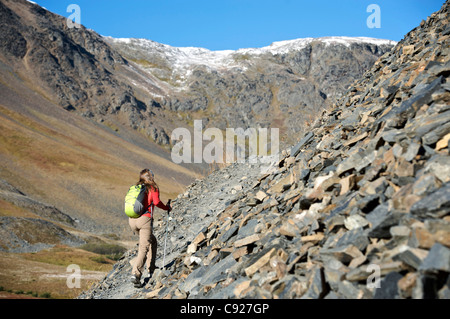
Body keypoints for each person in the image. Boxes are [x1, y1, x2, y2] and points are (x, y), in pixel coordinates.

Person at [129, 168, 171, 288]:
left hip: (132, 220)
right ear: (150, 177)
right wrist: (167, 208)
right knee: (144, 248)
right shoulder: (152, 187)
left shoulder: (136, 187)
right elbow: (157, 202)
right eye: (152, 175)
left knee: (152, 241)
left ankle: (151, 268)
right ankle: (136, 274)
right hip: (144, 220)